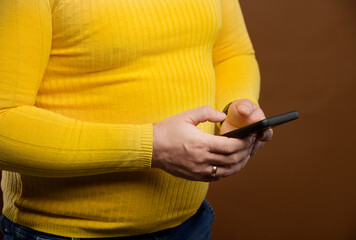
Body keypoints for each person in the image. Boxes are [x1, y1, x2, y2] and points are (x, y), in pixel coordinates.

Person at [0, 0, 272, 239]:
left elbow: (230, 54)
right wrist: (152, 145)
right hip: (62, 234)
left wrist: (236, 109)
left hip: (191, 225)